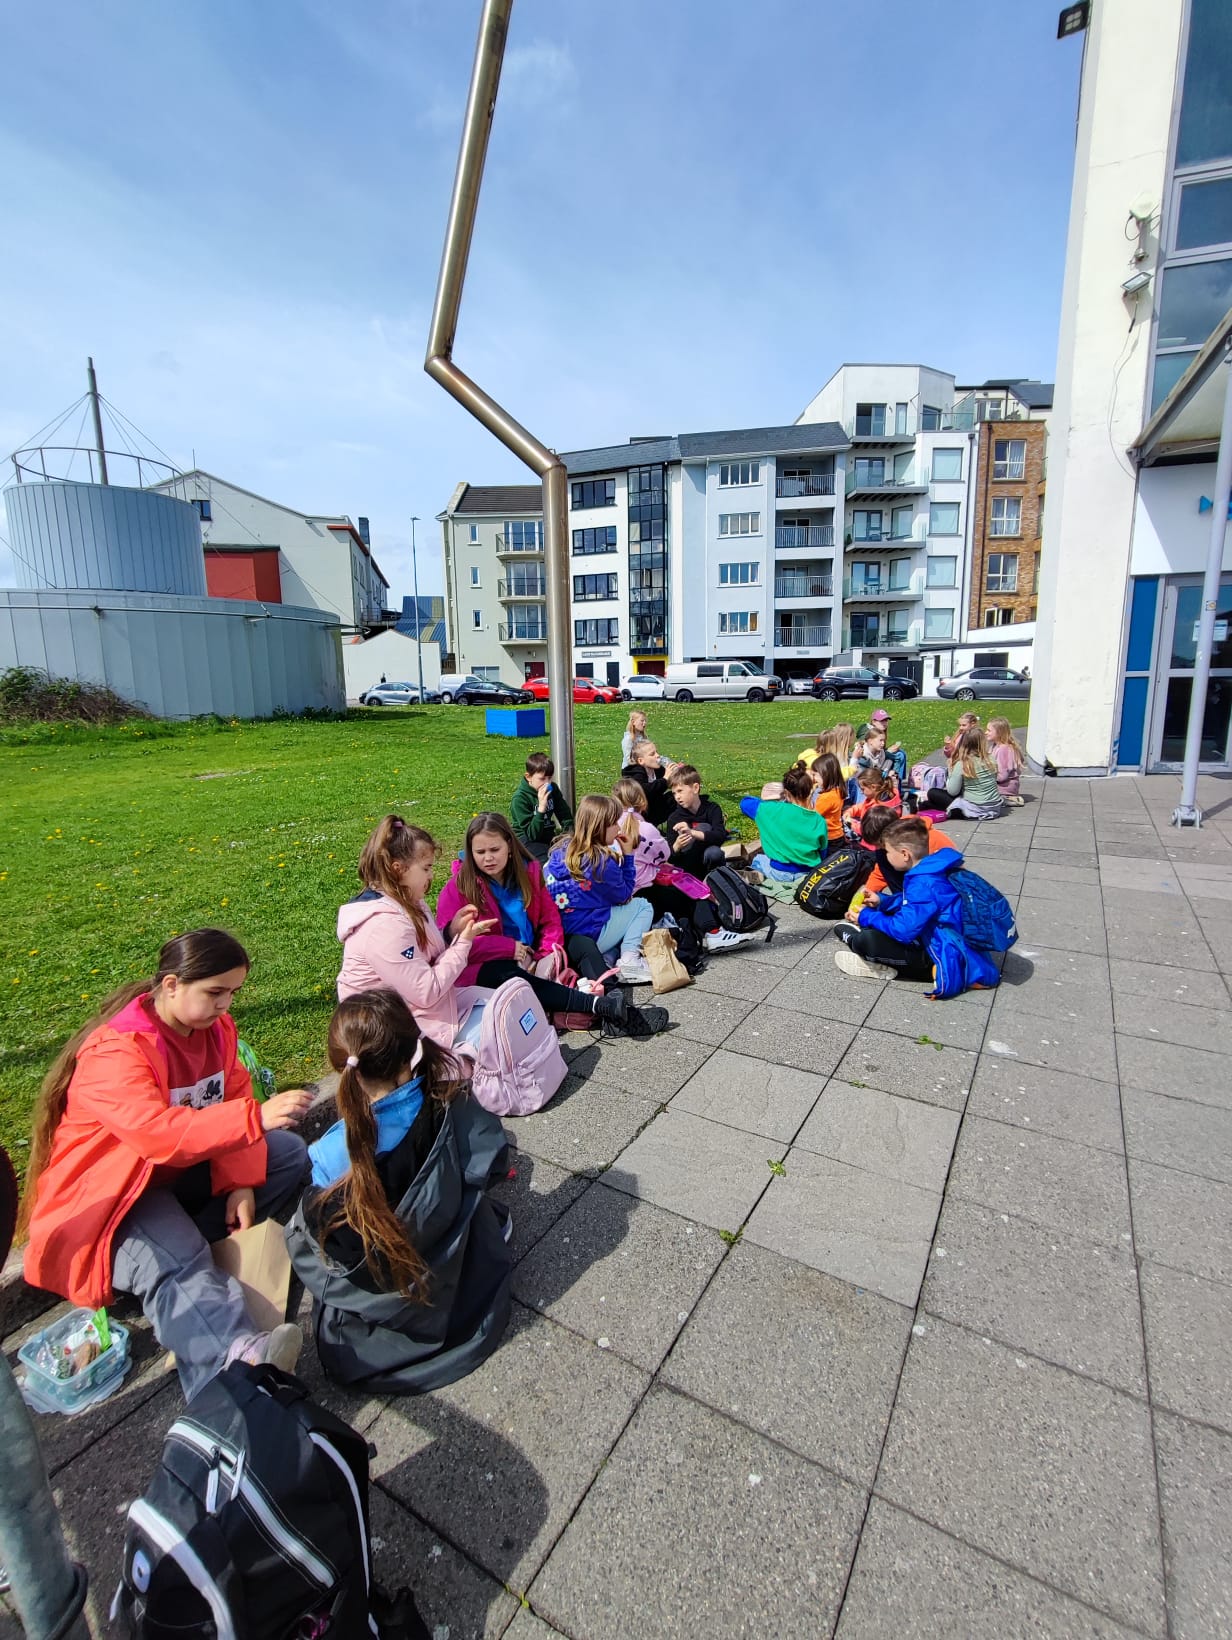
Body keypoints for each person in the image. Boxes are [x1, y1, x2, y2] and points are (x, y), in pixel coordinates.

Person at [19, 929, 313, 1401]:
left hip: (170, 1177)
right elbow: (155, 1133)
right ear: (172, 985)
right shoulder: (117, 1051)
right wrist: (254, 1118)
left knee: (286, 1156)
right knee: (177, 1255)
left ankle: (186, 1272)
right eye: (215, 992)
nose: (225, 1004)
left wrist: (239, 1182)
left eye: (233, 993)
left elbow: (233, 1093)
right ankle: (236, 1364)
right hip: (115, 1200)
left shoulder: (216, 1031)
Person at [285, 990, 513, 1393]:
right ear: (412, 1051)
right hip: (465, 1280)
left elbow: (329, 1244)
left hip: (390, 1291)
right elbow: (492, 1161)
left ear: (345, 1069)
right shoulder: (448, 1101)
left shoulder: (329, 1154)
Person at [436, 813, 664, 1037]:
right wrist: (508, 949)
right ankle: (605, 1009)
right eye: (480, 852)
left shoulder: (528, 873)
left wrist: (546, 953)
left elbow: (550, 918)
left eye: (494, 850)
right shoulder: (458, 887)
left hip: (532, 950)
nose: (488, 858)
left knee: (582, 944)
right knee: (508, 975)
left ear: (509, 846)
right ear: (470, 852)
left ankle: (614, 1003)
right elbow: (451, 946)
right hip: (491, 965)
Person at [337, 816, 496, 1055]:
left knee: (506, 1006)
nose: (431, 876)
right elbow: (426, 991)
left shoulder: (409, 901)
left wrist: (450, 932)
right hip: (383, 1035)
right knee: (497, 1034)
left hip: (416, 1011)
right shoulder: (383, 926)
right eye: (426, 868)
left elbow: (423, 957)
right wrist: (463, 943)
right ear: (398, 869)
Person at [834, 818, 999, 997]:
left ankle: (873, 957)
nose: (885, 856)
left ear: (905, 854)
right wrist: (882, 900)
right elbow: (917, 903)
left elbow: (902, 930)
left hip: (945, 955)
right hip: (947, 942)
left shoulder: (922, 883)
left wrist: (865, 916)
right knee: (877, 921)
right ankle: (866, 943)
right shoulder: (934, 870)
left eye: (887, 851)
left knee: (866, 941)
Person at [614, 779, 751, 956]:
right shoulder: (645, 829)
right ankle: (713, 933)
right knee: (692, 891)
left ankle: (693, 928)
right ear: (642, 801)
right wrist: (676, 846)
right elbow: (664, 855)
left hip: (621, 896)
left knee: (677, 892)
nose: (677, 796)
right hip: (644, 892)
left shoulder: (611, 827)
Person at [544, 794, 656, 984]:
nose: (618, 828)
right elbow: (625, 895)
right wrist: (628, 855)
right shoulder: (600, 861)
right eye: (614, 823)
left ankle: (606, 959)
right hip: (591, 931)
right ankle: (630, 960)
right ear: (599, 826)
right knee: (642, 906)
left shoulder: (560, 850)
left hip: (563, 933)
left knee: (607, 911)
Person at [739, 764, 829, 883]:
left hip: (778, 871)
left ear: (786, 792)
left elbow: (744, 803)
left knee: (758, 859)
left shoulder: (768, 810)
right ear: (809, 791)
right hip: (808, 874)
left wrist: (774, 800)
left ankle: (755, 880)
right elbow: (823, 853)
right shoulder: (819, 821)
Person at [858, 804, 956, 897]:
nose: (878, 848)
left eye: (880, 844)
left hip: (939, 889)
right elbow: (879, 873)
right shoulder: (896, 839)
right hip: (918, 885)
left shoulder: (925, 842)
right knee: (881, 855)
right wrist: (867, 892)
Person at [922, 725, 1007, 820]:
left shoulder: (963, 763)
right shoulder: (991, 759)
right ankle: (929, 805)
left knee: (933, 793)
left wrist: (951, 770)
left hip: (973, 808)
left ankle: (929, 805)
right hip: (994, 806)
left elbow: (952, 791)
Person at [662, 763, 731, 878]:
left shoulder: (712, 809)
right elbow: (671, 858)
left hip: (709, 861)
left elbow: (720, 836)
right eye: (674, 793)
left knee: (713, 850)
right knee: (704, 829)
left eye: (680, 791)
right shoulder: (674, 818)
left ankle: (716, 880)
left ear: (695, 788)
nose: (677, 797)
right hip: (688, 866)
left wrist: (692, 833)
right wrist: (677, 846)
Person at [510, 751, 574, 864]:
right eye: (542, 778)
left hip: (548, 835)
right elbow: (532, 835)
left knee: (572, 855)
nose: (547, 783)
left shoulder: (553, 789)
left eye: (549, 778)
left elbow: (564, 814)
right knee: (549, 861)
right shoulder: (520, 799)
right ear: (528, 777)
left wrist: (569, 835)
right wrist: (541, 808)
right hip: (526, 840)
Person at [621, 737, 676, 826]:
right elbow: (643, 790)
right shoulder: (635, 772)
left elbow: (668, 782)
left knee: (677, 796)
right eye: (652, 754)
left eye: (657, 752)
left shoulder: (657, 769)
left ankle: (681, 826)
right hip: (640, 813)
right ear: (641, 761)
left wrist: (677, 774)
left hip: (653, 807)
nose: (657, 756)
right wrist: (665, 779)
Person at [846, 766, 903, 832]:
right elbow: (863, 807)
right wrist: (851, 811)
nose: (861, 792)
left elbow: (869, 830)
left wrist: (851, 824)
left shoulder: (879, 810)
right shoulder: (878, 798)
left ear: (873, 787)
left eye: (863, 789)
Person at [807, 752, 847, 843]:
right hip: (836, 835)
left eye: (815, 775)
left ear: (824, 774)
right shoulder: (837, 791)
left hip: (828, 837)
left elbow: (812, 816)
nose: (814, 779)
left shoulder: (827, 797)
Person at [987, 717, 1026, 806]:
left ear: (999, 732)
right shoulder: (995, 746)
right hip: (1003, 785)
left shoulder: (1003, 749)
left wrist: (985, 777)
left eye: (989, 730)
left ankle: (1008, 798)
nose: (986, 732)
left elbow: (1002, 776)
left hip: (1004, 788)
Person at [866, 708, 907, 785]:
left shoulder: (881, 732)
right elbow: (874, 753)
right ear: (874, 721)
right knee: (899, 755)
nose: (884, 723)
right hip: (874, 764)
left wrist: (889, 750)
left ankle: (898, 782)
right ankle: (896, 784)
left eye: (886, 720)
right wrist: (889, 751)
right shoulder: (870, 733)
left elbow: (881, 750)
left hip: (880, 757)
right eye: (882, 721)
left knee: (901, 752)